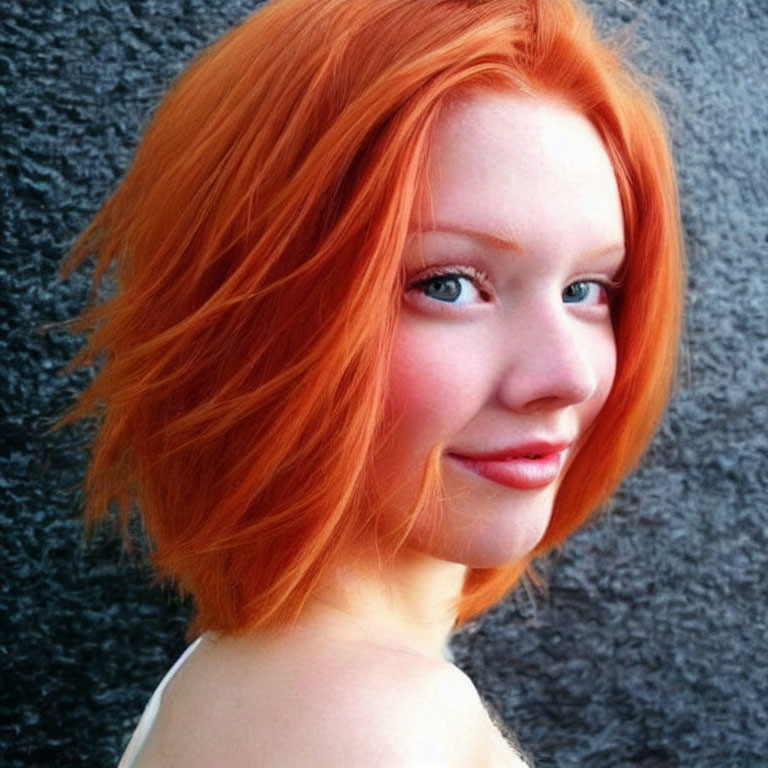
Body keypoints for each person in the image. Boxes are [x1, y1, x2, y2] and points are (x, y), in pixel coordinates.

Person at [52, 0, 684, 765]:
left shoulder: (249, 679)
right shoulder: (370, 722)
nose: (566, 378)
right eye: (448, 284)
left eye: (588, 290)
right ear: (260, 314)